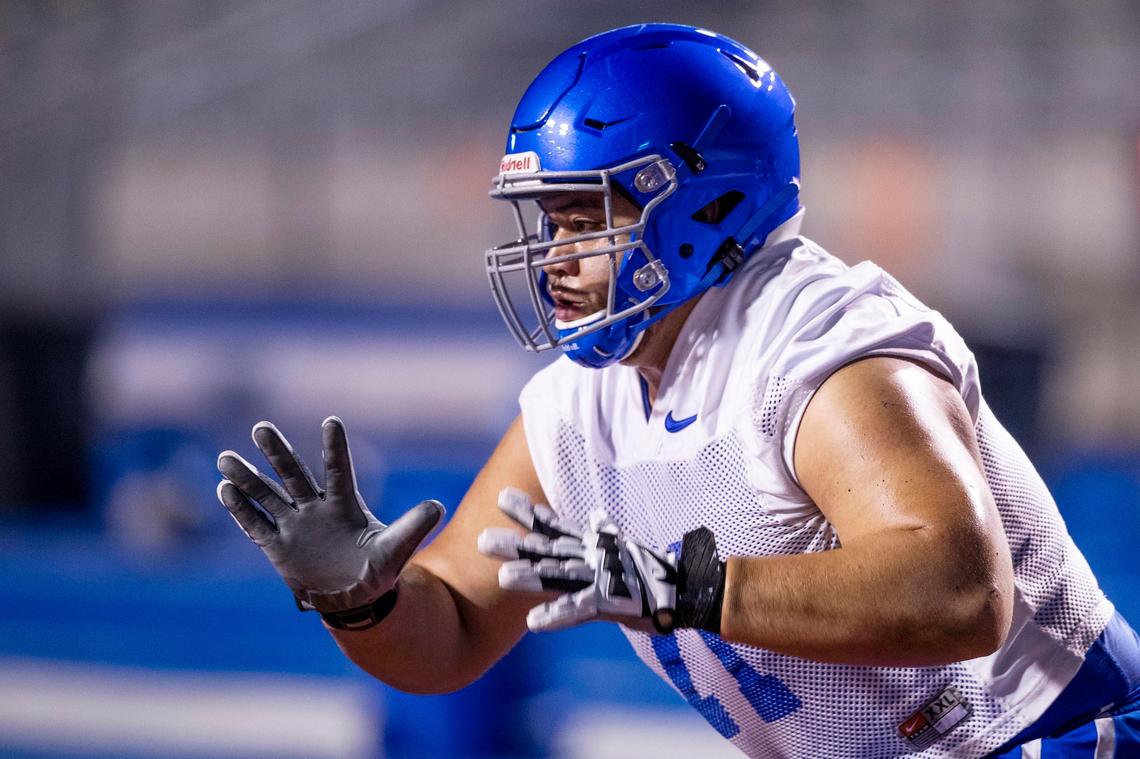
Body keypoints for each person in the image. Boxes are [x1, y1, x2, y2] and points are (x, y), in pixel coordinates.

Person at [216, 23, 1140, 758]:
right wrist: (361, 601)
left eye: (586, 216)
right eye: (549, 218)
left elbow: (962, 594)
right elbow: (451, 631)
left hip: (1055, 736)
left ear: (703, 204)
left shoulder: (820, 344)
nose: (553, 259)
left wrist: (687, 586)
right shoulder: (583, 401)